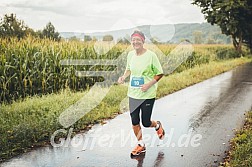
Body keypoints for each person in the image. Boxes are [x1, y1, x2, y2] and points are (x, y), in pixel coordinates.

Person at [118, 30, 165, 157]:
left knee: (145, 122)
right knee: (134, 120)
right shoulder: (130, 55)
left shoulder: (151, 56)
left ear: (143, 41)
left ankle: (157, 125)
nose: (135, 42)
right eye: (133, 40)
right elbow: (128, 69)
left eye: (138, 40)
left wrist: (148, 84)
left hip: (147, 94)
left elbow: (159, 73)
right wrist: (123, 77)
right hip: (133, 93)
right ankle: (141, 144)